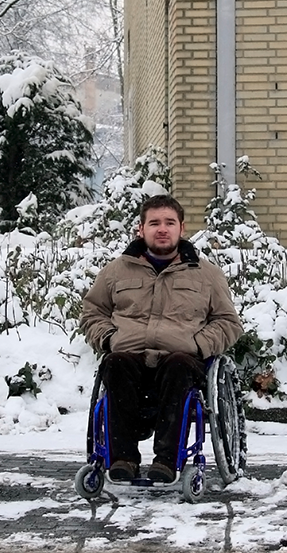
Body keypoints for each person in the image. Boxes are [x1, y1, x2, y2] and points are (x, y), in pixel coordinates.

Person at [79, 194, 243, 483]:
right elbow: (92, 312)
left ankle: (166, 461)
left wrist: (198, 346)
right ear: (141, 229)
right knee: (115, 363)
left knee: (178, 364)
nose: (162, 229)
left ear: (182, 228)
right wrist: (107, 339)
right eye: (154, 223)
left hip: (180, 361)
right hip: (130, 358)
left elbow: (228, 322)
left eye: (169, 222)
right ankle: (123, 459)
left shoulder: (206, 275)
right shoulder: (116, 271)